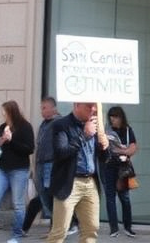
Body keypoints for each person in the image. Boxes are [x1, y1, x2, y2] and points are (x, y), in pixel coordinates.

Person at [44, 101, 111, 243]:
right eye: (88, 105)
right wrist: (84, 135)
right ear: (76, 105)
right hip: (69, 182)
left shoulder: (96, 126)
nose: (93, 109)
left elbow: (104, 158)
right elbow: (61, 152)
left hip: (90, 182)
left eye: (94, 106)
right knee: (60, 231)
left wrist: (105, 146)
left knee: (91, 228)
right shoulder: (61, 125)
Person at [0, 100, 34, 243]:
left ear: (11, 111)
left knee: (18, 204)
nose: (2, 113)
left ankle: (16, 236)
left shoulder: (25, 126)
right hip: (2, 169)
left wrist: (11, 140)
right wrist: (0, 142)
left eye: (4, 110)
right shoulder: (3, 126)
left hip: (19, 170)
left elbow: (29, 149)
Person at [23, 97, 67, 234]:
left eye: (44, 108)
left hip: (52, 164)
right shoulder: (44, 124)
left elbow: (63, 145)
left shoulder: (59, 122)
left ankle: (59, 226)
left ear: (52, 108)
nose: (41, 111)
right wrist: (34, 167)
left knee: (49, 195)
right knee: (43, 195)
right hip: (41, 165)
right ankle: (60, 224)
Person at [102, 106, 137, 238]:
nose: (113, 120)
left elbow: (132, 149)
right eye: (111, 117)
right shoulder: (107, 131)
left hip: (122, 168)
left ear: (121, 117)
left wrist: (119, 150)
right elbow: (104, 149)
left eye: (115, 117)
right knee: (110, 198)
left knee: (125, 198)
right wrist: (124, 149)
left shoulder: (128, 130)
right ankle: (113, 228)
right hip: (109, 166)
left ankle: (128, 227)